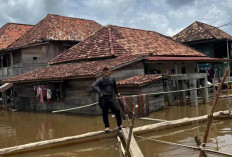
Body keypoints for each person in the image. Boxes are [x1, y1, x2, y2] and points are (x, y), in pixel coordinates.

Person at [92, 67, 122, 133]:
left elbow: (115, 86)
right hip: (103, 99)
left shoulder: (112, 79)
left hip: (112, 98)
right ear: (102, 72)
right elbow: (93, 86)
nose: (106, 72)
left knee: (117, 110)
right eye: (104, 70)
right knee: (105, 113)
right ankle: (107, 127)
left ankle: (119, 125)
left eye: (107, 70)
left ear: (109, 72)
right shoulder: (100, 80)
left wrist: (117, 93)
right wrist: (100, 93)